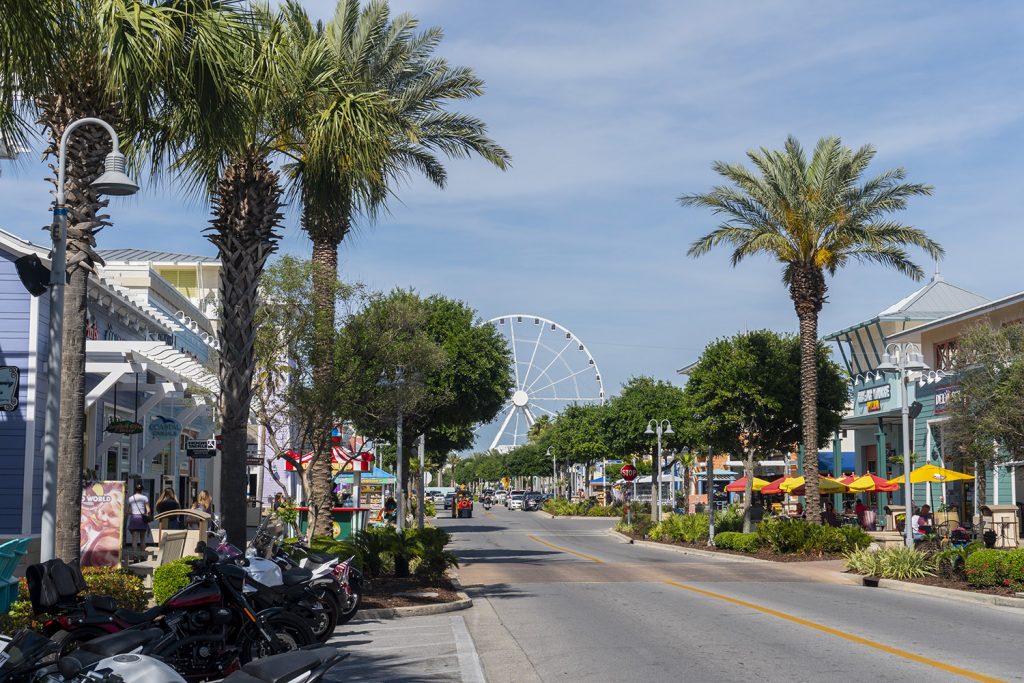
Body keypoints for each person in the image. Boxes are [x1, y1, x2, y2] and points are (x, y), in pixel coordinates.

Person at [126, 484, 150, 559]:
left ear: (135, 490)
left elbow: (128, 511)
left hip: (134, 518)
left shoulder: (130, 498)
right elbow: (148, 510)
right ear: (142, 490)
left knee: (134, 539)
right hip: (142, 518)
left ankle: (135, 556)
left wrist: (132, 512)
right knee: (142, 539)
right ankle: (143, 556)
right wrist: (146, 515)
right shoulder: (144, 498)